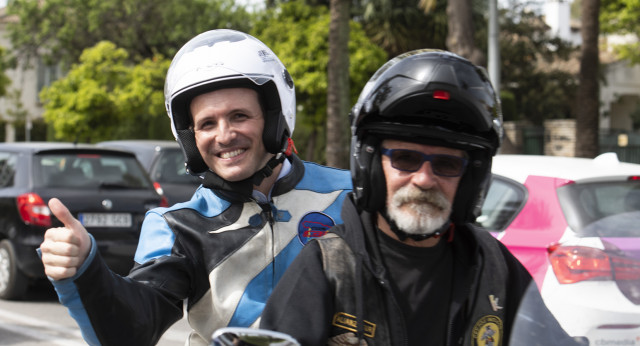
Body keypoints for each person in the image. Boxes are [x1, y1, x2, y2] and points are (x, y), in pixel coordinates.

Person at [39, 29, 352, 346]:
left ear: (273, 117)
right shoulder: (177, 227)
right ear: (190, 139)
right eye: (207, 124)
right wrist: (85, 270)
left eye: (239, 116)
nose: (225, 135)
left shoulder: (348, 196)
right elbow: (130, 330)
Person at [260, 50, 576, 345]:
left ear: (469, 179)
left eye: (447, 164)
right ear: (372, 166)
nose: (425, 179)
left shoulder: (494, 267)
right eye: (405, 159)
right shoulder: (329, 266)